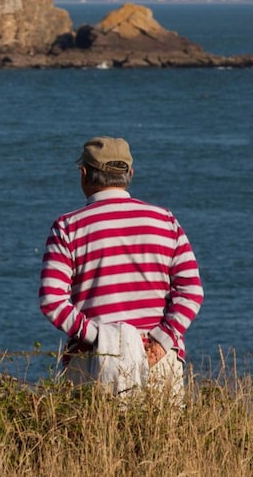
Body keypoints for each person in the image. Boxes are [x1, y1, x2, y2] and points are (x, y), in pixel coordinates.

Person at [39, 136, 204, 400]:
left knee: (92, 440)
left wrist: (103, 340)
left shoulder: (67, 228)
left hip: (91, 361)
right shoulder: (165, 221)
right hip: (159, 359)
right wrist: (161, 341)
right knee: (161, 439)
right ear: (130, 174)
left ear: (84, 174)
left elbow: (52, 301)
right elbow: (191, 292)